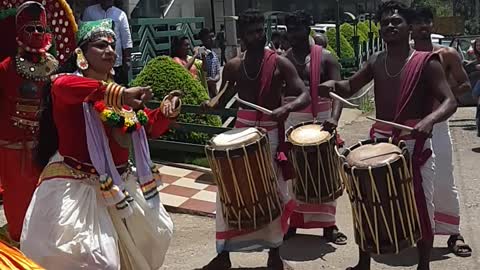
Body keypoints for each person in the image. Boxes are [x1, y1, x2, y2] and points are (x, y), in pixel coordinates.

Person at [21, 19, 177, 269]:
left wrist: (165, 113)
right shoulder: (67, 86)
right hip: (77, 184)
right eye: (101, 45)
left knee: (157, 234)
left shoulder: (122, 96)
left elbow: (146, 127)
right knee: (95, 258)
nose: (110, 50)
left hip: (119, 185)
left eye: (112, 45)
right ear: (81, 54)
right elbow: (63, 85)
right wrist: (119, 93)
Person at [319, 2, 457, 269]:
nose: (390, 26)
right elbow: (349, 86)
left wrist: (428, 121)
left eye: (397, 22)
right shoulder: (375, 61)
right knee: (366, 201)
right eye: (385, 23)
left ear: (410, 28)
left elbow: (449, 101)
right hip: (380, 141)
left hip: (414, 145)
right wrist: (333, 85)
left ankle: (424, 264)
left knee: (420, 206)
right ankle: (363, 263)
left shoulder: (427, 63)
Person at [201, 9, 310, 270]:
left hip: (270, 135)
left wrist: (287, 108)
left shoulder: (281, 62)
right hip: (242, 132)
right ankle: (223, 255)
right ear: (243, 36)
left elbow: (303, 94)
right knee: (228, 192)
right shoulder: (234, 65)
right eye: (252, 32)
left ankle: (275, 253)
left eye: (261, 30)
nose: (258, 35)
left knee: (274, 193)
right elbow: (225, 96)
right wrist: (212, 102)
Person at [411, 5, 472, 257]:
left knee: (443, 180)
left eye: (427, 21)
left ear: (432, 25)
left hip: (438, 126)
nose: (423, 26)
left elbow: (466, 84)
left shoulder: (446, 54)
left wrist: (443, 100)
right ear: (409, 27)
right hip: (410, 128)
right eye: (417, 22)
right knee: (412, 183)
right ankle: (415, 233)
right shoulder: (401, 56)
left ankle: (453, 233)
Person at [283, 10, 347, 245]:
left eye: (297, 29)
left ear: (307, 29)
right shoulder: (284, 59)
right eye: (290, 30)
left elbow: (338, 92)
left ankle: (329, 226)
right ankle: (293, 223)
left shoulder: (327, 58)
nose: (293, 35)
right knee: (294, 175)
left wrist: (334, 119)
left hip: (322, 119)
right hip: (292, 121)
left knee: (326, 171)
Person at [0, 1, 59, 244]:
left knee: (45, 195)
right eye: (30, 28)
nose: (36, 33)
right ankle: (17, 241)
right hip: (12, 147)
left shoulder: (54, 67)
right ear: (18, 33)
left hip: (44, 147)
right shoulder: (5, 68)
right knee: (16, 196)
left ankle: (40, 241)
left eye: (40, 28)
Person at [83, 0, 133, 86]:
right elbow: (84, 35)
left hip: (115, 61)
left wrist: (127, 59)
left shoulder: (120, 14)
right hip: (95, 62)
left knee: (116, 90)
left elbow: (126, 39)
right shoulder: (89, 12)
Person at [199, 28, 221, 98]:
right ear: (203, 40)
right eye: (208, 38)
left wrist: (214, 80)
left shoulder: (214, 55)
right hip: (203, 91)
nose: (211, 40)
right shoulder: (199, 55)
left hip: (213, 91)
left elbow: (218, 73)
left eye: (212, 37)